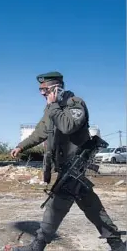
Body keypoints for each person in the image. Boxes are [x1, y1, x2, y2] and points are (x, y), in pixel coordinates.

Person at [8, 71, 125, 251]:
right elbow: (40, 132)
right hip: (65, 167)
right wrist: (21, 146)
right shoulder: (50, 109)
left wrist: (54, 106)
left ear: (56, 88)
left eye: (44, 89)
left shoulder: (75, 103)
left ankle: (37, 246)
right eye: (40, 89)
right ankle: (116, 244)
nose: (41, 93)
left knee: (56, 206)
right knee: (90, 205)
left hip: (75, 166)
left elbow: (68, 126)